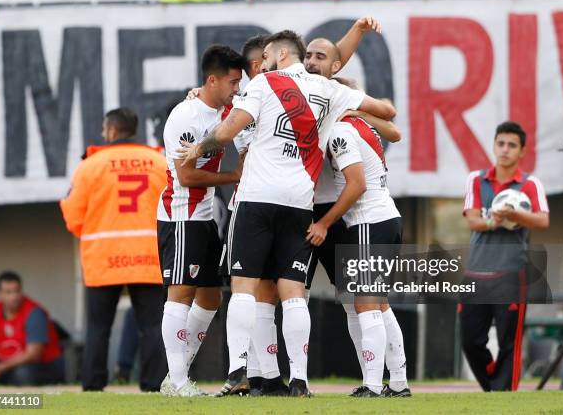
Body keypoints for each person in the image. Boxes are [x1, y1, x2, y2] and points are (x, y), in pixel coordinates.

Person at [180, 29, 396, 397]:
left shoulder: (265, 84)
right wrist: (346, 95)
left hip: (258, 196)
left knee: (244, 286)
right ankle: (300, 380)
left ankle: (237, 373)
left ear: (279, 55)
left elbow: (231, 128)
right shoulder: (331, 90)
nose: (260, 65)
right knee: (294, 292)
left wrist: (198, 146)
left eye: (265, 57)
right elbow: (387, 112)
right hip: (300, 202)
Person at [304, 38, 410, 397]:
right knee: (378, 304)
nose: (311, 62)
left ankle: (372, 385)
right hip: (387, 216)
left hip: (368, 221)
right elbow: (393, 130)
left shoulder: (340, 130)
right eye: (309, 55)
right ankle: (398, 383)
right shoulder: (358, 123)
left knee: (366, 304)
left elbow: (356, 185)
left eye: (320, 57)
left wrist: (324, 222)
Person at [157, 45, 246, 397]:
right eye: (232, 81)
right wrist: (234, 177)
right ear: (212, 80)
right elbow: (187, 176)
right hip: (181, 215)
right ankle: (178, 382)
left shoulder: (228, 110)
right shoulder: (186, 116)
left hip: (206, 216)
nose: (236, 88)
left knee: (211, 298)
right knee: (179, 296)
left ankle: (175, 374)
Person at [60, 107, 168, 392]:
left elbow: (72, 214)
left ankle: (94, 386)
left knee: (98, 327)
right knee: (153, 326)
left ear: (111, 131)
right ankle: (153, 385)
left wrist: (93, 231)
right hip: (148, 256)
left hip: (104, 258)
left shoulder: (91, 165)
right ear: (133, 130)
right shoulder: (158, 161)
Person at [462, 121, 549, 391]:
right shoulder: (476, 179)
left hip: (512, 272)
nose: (505, 150)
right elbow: (474, 221)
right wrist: (496, 220)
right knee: (470, 340)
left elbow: (542, 220)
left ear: (522, 151)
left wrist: (515, 215)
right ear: (494, 146)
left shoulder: (530, 184)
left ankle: (502, 395)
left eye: (512, 145)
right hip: (475, 271)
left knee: (509, 341)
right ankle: (494, 385)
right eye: (501, 144)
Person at [0, 272, 64, 386]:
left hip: (42, 365)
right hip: (3, 366)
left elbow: (33, 355)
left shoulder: (34, 313)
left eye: (17, 291)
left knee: (23, 373)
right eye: (8, 292)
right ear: (0, 294)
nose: (14, 296)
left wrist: (0, 368)